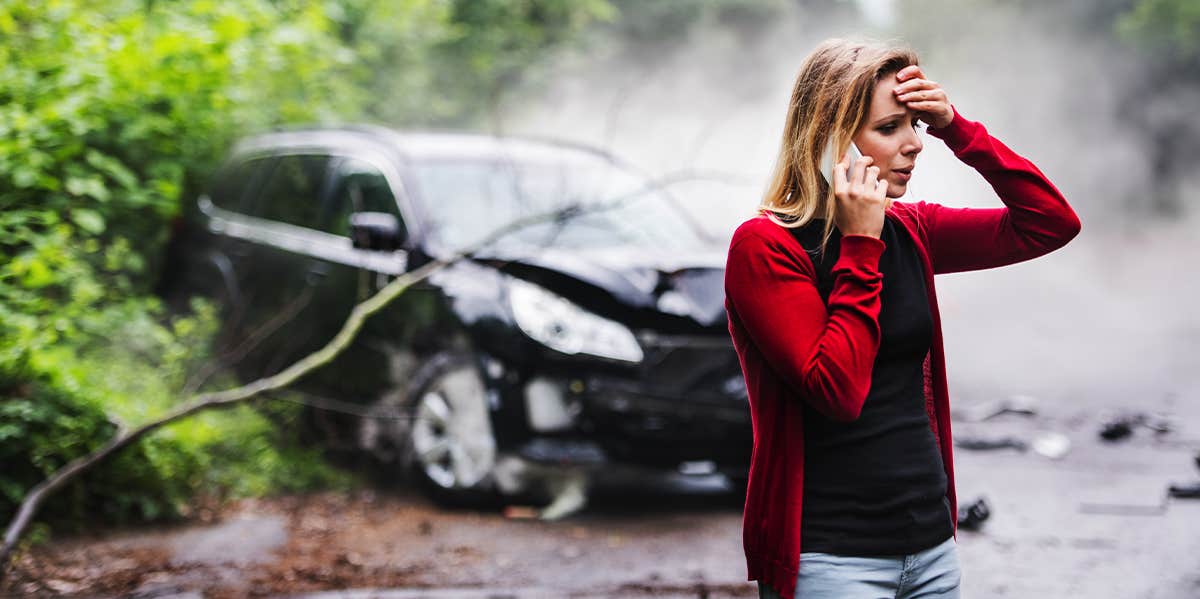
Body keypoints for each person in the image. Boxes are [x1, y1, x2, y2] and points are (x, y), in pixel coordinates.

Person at [723, 38, 1081, 599]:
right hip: (830, 560)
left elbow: (1050, 223)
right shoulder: (766, 248)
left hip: (932, 551)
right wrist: (861, 245)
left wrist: (957, 127)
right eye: (891, 128)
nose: (915, 145)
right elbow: (837, 389)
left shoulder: (912, 230)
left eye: (915, 124)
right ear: (828, 139)